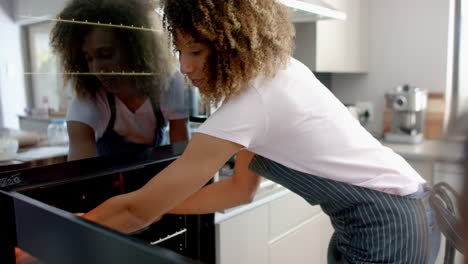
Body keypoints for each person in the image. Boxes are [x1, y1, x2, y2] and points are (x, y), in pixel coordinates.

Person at [83, 0, 441, 263]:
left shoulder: (252, 101)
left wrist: (52, 235)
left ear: (230, 42)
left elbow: (134, 212)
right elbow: (239, 191)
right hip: (397, 215)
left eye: (196, 51)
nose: (185, 67)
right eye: (180, 50)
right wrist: (160, 207)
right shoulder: (275, 71)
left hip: (387, 226)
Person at [50, 0, 190, 161]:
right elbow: (80, 176)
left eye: (106, 54)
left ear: (136, 49)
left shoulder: (170, 84)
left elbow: (183, 155)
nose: (96, 69)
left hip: (161, 177)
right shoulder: (87, 101)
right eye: (88, 59)